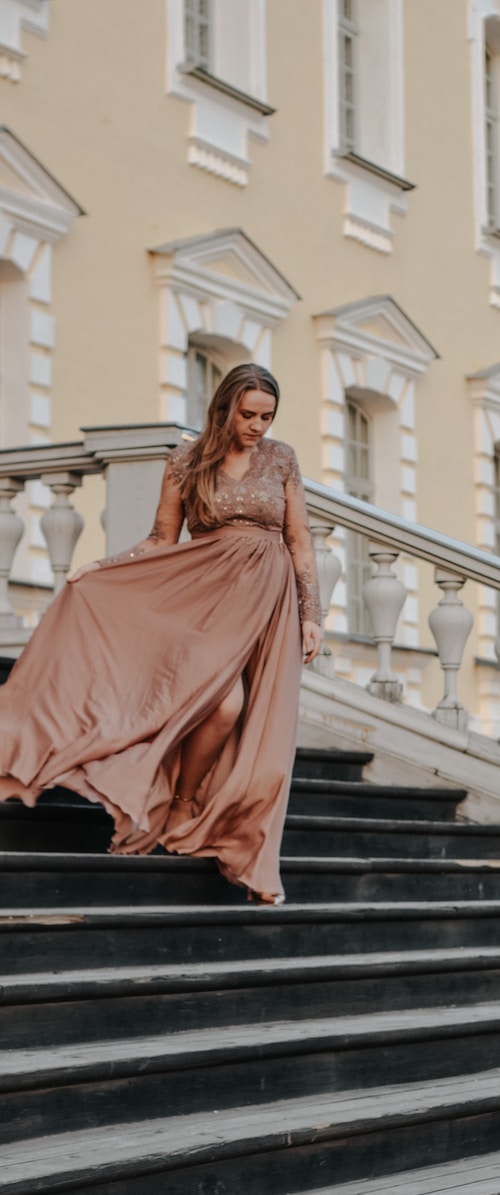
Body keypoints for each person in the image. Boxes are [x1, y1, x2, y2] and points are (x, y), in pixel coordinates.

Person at [0, 363, 322, 905]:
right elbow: (159, 539)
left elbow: (300, 540)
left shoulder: (281, 458)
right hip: (205, 599)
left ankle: (206, 817)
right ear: (223, 408)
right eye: (247, 414)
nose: (257, 426)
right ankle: (182, 801)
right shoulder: (186, 460)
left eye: (267, 416)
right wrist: (102, 569)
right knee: (222, 708)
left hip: (267, 603)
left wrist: (311, 614)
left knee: (256, 727)